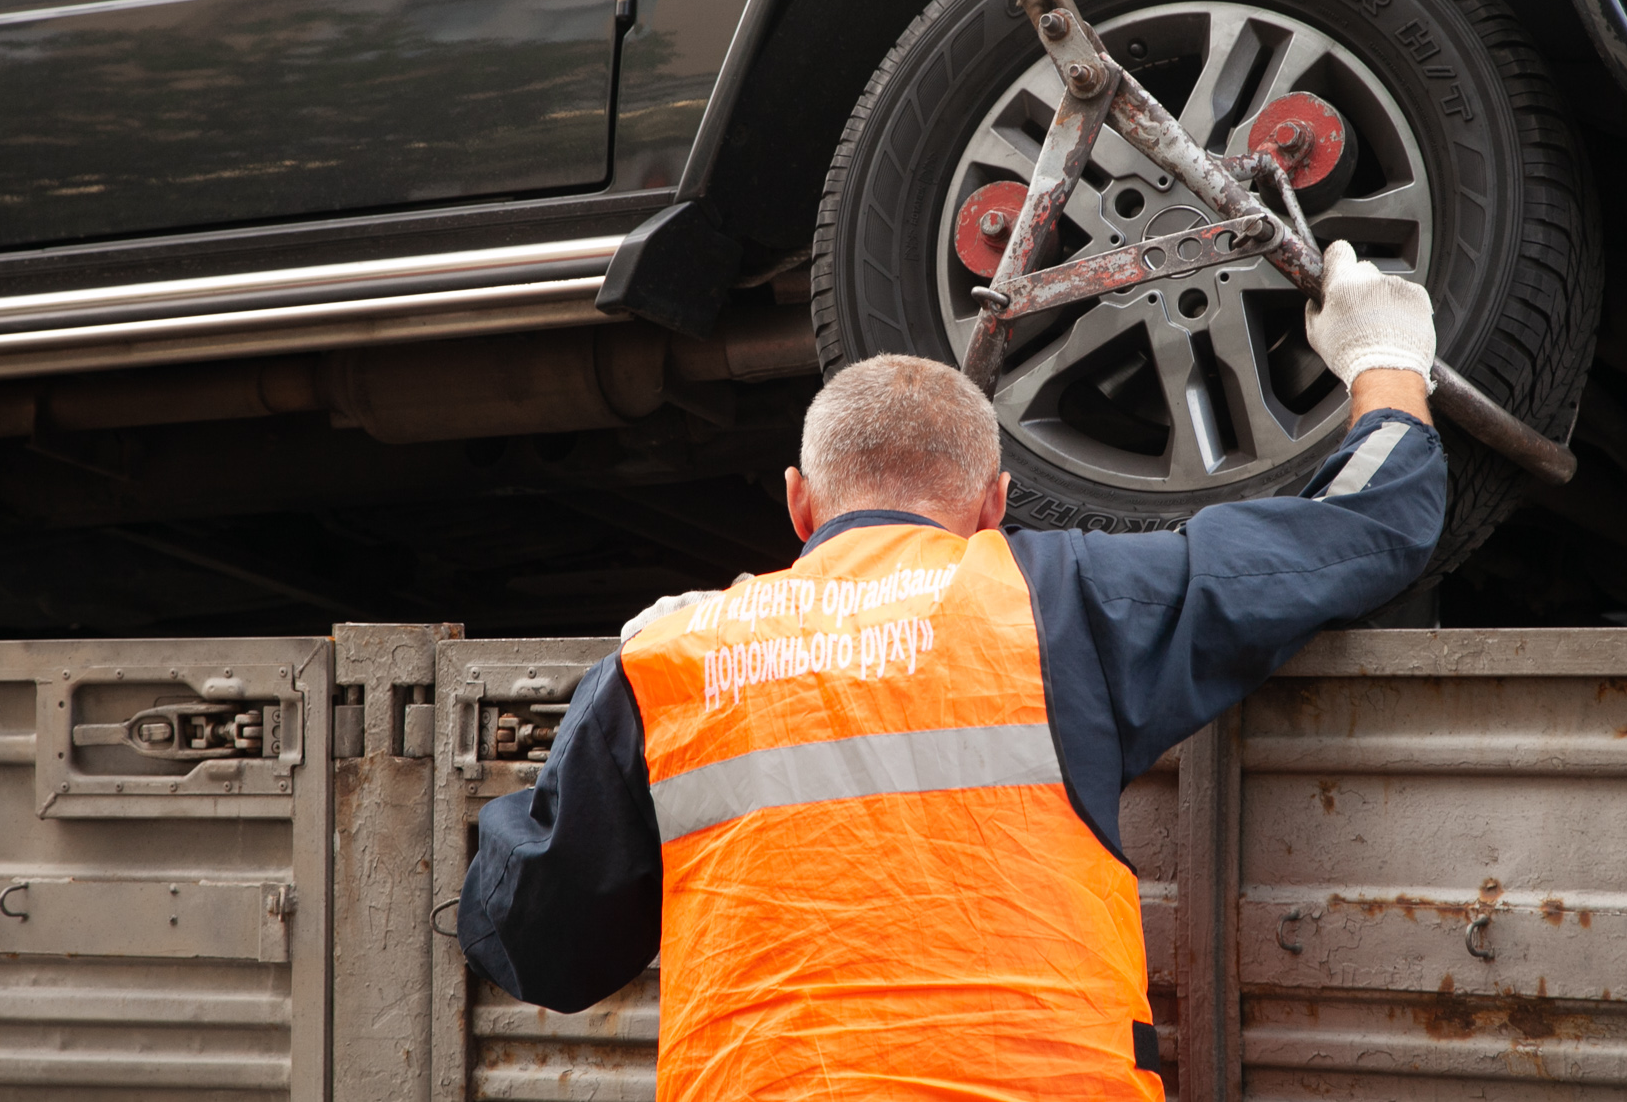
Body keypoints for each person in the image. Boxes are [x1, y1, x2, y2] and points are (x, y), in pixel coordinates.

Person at [458, 241, 1447, 1099]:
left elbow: (536, 948)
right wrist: (1383, 361)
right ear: (993, 504)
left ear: (799, 507)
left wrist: (613, 691)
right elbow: (1361, 529)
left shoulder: (668, 664)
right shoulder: (1058, 597)